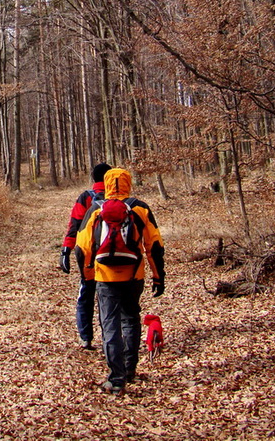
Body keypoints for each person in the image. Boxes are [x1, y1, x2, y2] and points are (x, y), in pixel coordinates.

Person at [75, 167, 166, 395]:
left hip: (105, 277)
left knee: (110, 325)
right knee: (130, 320)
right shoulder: (139, 208)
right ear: (128, 183)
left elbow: (82, 247)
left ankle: (116, 379)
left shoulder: (96, 208)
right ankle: (129, 370)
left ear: (106, 185)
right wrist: (158, 276)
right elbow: (153, 245)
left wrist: (88, 276)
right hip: (134, 275)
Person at [59, 162, 111, 350]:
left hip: (89, 256)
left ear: (94, 179)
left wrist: (66, 250)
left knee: (86, 295)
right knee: (111, 298)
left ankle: (86, 337)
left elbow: (74, 226)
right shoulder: (120, 199)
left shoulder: (87, 197)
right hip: (114, 258)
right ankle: (111, 338)